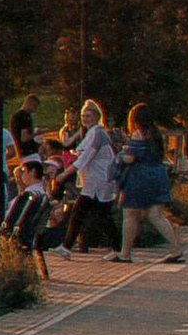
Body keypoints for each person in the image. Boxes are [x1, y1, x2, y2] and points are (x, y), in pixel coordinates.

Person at [120, 104, 181, 261]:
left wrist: (121, 154)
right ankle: (176, 248)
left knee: (130, 214)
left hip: (139, 178)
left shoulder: (138, 134)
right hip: (158, 175)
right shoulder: (156, 135)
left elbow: (130, 158)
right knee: (157, 215)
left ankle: (125, 253)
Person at [71, 100, 121, 252]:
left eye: (88, 115)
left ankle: (68, 246)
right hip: (95, 182)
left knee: (82, 213)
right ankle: (119, 248)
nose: (85, 119)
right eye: (83, 116)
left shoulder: (97, 133)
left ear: (97, 116)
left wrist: (67, 172)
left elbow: (86, 156)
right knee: (100, 216)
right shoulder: (92, 132)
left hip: (99, 181)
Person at [4, 154, 57, 258]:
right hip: (29, 233)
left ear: (32, 172)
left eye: (23, 171)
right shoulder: (40, 193)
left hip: (18, 233)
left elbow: (10, 217)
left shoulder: (29, 195)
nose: (21, 175)